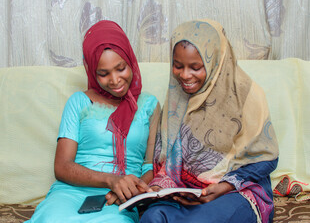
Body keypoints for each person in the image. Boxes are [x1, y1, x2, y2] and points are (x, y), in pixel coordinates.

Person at [139, 19, 279, 223]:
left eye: (195, 67)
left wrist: (225, 186)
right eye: (178, 66)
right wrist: (159, 188)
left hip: (234, 192)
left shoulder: (247, 95)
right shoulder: (177, 97)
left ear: (216, 62)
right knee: (152, 218)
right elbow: (167, 159)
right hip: (186, 192)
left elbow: (266, 157)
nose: (185, 76)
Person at [26, 20, 160, 223]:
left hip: (119, 198)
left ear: (130, 60)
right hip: (70, 193)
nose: (115, 80)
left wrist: (131, 189)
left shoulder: (150, 105)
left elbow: (148, 166)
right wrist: (112, 180)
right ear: (91, 72)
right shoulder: (79, 102)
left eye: (121, 68)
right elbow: (62, 166)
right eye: (103, 74)